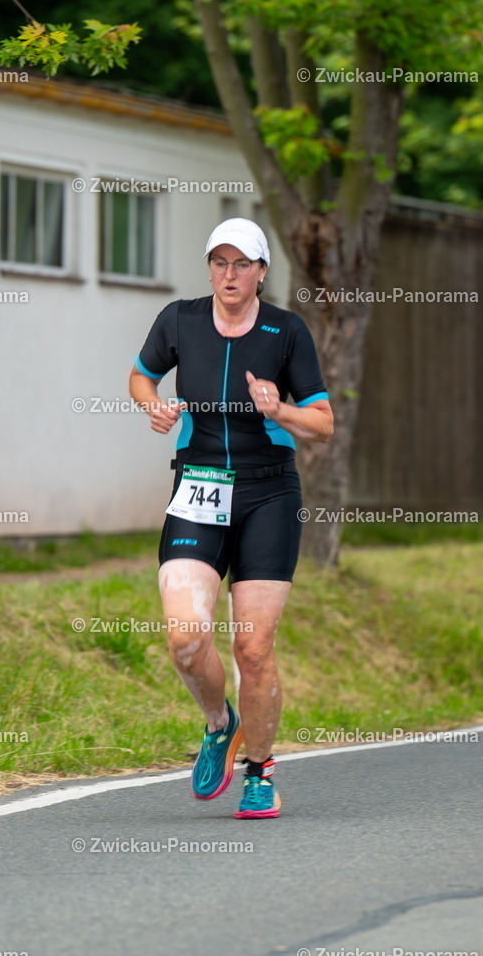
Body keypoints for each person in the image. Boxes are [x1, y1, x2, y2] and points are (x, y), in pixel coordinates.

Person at [129, 217, 333, 819]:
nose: (229, 274)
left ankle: (260, 772)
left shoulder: (286, 331)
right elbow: (142, 376)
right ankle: (221, 724)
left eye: (242, 263)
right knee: (186, 641)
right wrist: (154, 407)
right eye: (219, 262)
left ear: (262, 272)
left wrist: (283, 408)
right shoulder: (180, 320)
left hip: (269, 494)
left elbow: (323, 422)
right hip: (198, 487)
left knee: (253, 646)